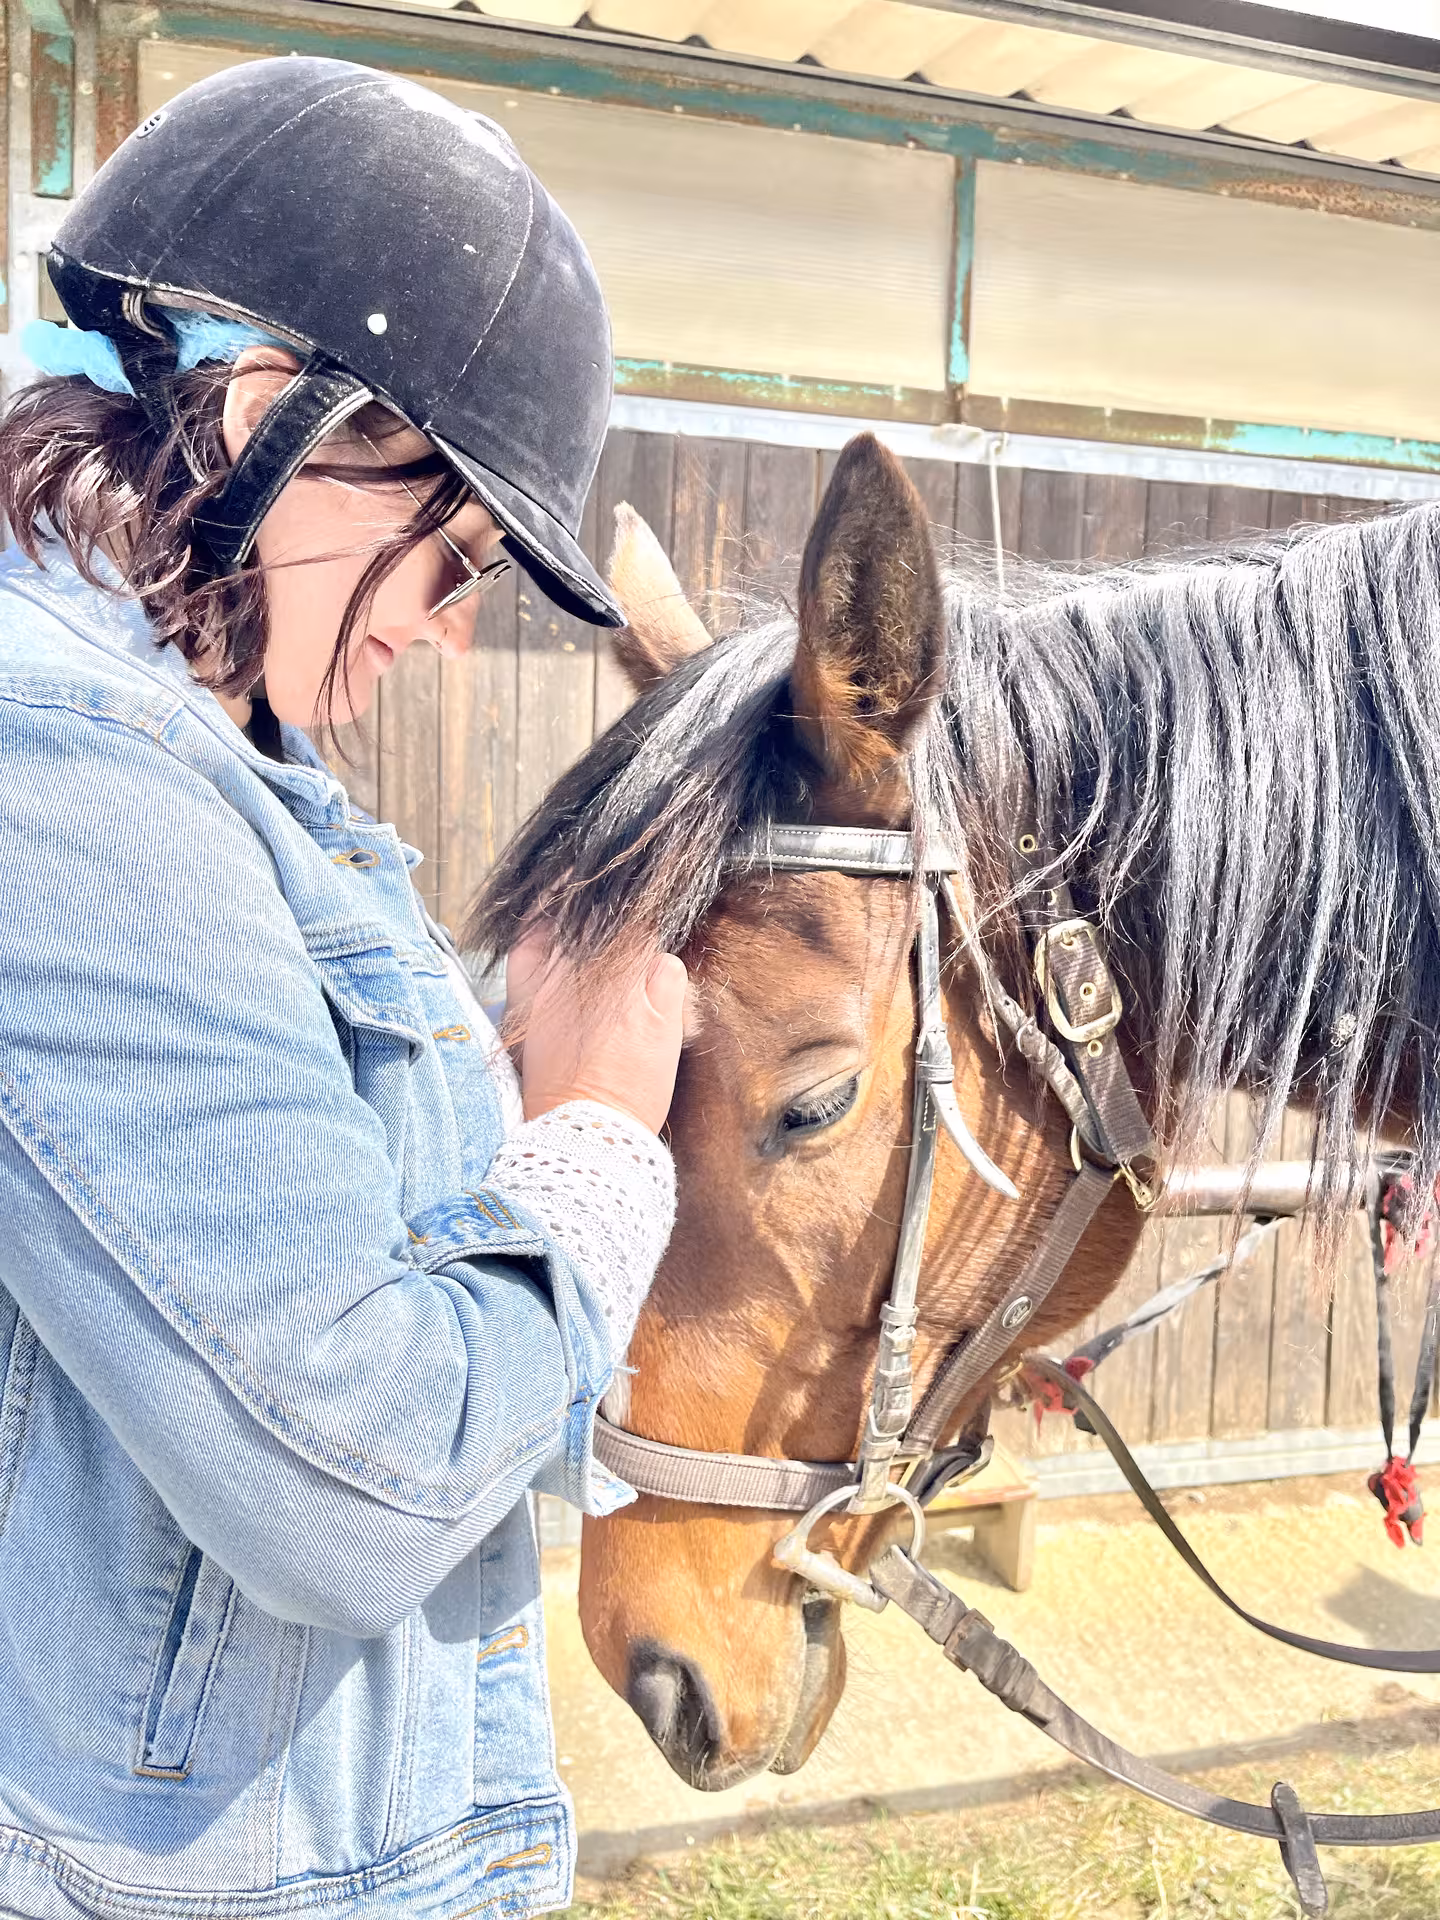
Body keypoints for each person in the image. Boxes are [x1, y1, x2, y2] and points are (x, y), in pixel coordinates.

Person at [0, 55, 686, 1920]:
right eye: (447, 548)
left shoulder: (223, 768)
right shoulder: (67, 774)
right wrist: (603, 1138)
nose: (446, 626)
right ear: (267, 413)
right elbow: (355, 1470)